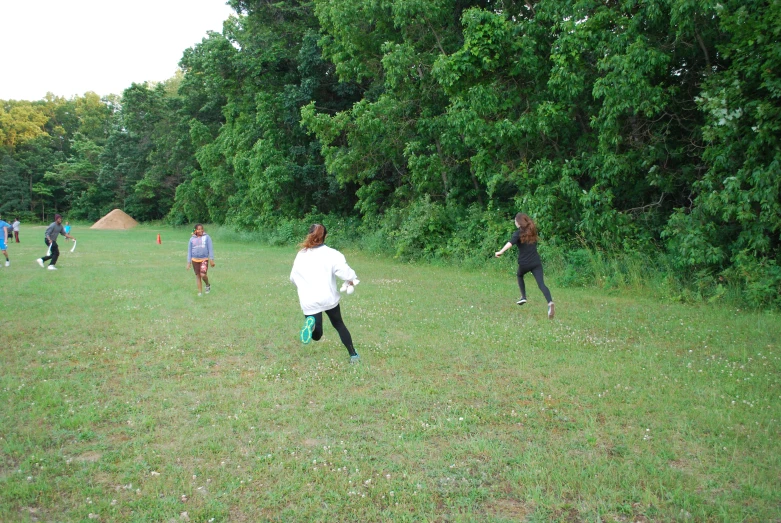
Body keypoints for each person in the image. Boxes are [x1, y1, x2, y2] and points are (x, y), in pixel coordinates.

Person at [290, 223, 360, 363]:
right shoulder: (333, 254)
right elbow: (345, 272)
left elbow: (293, 277)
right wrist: (351, 279)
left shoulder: (301, 254)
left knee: (317, 335)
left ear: (309, 235)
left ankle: (311, 325)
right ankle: (353, 355)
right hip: (328, 298)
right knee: (339, 324)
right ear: (325, 236)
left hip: (309, 300)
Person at [495, 212, 555, 319]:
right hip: (536, 262)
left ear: (518, 222)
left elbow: (510, 243)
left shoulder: (518, 233)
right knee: (541, 284)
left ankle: (523, 297)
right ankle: (550, 302)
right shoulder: (532, 231)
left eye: (515, 221)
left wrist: (500, 251)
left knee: (519, 275)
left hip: (524, 263)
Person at [186, 224, 215, 296]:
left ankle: (207, 284)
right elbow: (189, 251)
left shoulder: (207, 237)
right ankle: (200, 292)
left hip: (204, 259)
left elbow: (210, 249)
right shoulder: (192, 239)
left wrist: (211, 259)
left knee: (203, 274)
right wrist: (188, 262)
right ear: (195, 230)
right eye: (198, 229)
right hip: (194, 260)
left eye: (201, 229)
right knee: (198, 276)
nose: (200, 230)